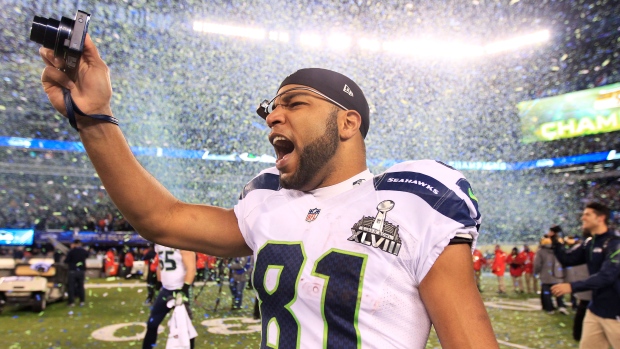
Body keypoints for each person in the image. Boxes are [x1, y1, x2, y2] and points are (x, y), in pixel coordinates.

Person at [37, 35, 498, 348]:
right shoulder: (269, 201)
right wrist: (93, 117)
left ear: (347, 122)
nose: (274, 117)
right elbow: (160, 219)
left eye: (295, 103)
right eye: (271, 109)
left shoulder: (413, 200)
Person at [550, 203, 620, 348]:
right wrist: (555, 240)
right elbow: (567, 259)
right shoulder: (589, 243)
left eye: (587, 214)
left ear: (601, 218)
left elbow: (607, 276)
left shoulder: (615, 244)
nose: (583, 218)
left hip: (616, 313)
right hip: (595, 310)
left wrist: (572, 286)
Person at [143, 244, 196, 349]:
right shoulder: (159, 243)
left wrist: (184, 290)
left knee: (185, 328)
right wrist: (158, 284)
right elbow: (160, 264)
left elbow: (191, 268)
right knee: (152, 324)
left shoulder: (182, 242)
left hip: (179, 290)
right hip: (165, 290)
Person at [534, 231, 569, 315]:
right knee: (559, 291)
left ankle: (549, 308)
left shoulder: (541, 251)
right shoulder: (560, 249)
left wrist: (536, 272)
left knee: (547, 293)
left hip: (546, 275)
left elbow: (537, 263)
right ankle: (561, 306)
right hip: (558, 274)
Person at [64, 239, 89, 306]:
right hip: (81, 271)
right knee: (81, 286)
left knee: (71, 287)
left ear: (74, 244)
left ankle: (71, 302)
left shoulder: (71, 251)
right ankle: (82, 301)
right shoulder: (83, 251)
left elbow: (66, 261)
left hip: (72, 270)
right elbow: (87, 255)